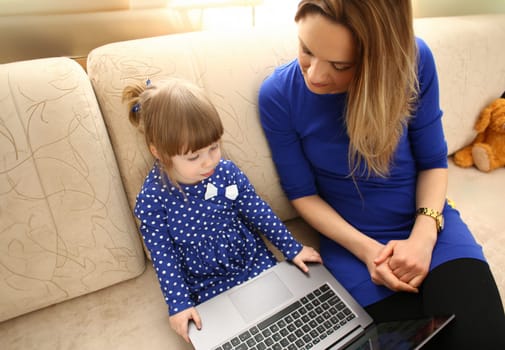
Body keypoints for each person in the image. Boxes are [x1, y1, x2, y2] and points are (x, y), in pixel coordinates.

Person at [258, 0, 505, 348]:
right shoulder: (278, 96)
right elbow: (303, 195)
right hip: (355, 250)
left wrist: (423, 237)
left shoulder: (415, 61)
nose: (314, 74)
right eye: (306, 50)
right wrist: (368, 252)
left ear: (381, 58)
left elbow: (434, 163)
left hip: (429, 223)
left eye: (340, 65)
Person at [122, 78, 322, 343]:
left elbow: (257, 210)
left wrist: (292, 248)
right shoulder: (153, 198)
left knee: (289, 322)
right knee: (234, 337)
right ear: (158, 152)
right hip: (202, 280)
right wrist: (179, 304)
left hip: (248, 258)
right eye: (194, 157)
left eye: (214, 147)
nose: (209, 161)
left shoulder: (225, 172)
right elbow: (163, 254)